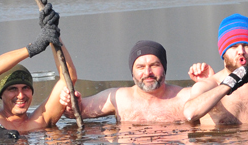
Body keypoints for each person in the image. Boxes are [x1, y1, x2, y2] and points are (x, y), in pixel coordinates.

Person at [0, 2, 77, 133]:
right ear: (1, 94)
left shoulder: (40, 120)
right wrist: (33, 48)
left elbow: (68, 78)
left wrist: (52, 33)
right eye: (13, 89)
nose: (21, 95)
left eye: (25, 88)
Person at [59, 40, 193, 123]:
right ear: (132, 71)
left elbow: (213, 102)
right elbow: (76, 112)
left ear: (164, 67)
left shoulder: (185, 97)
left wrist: (207, 80)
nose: (147, 73)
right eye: (140, 67)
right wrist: (71, 103)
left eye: (154, 65)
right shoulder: (118, 98)